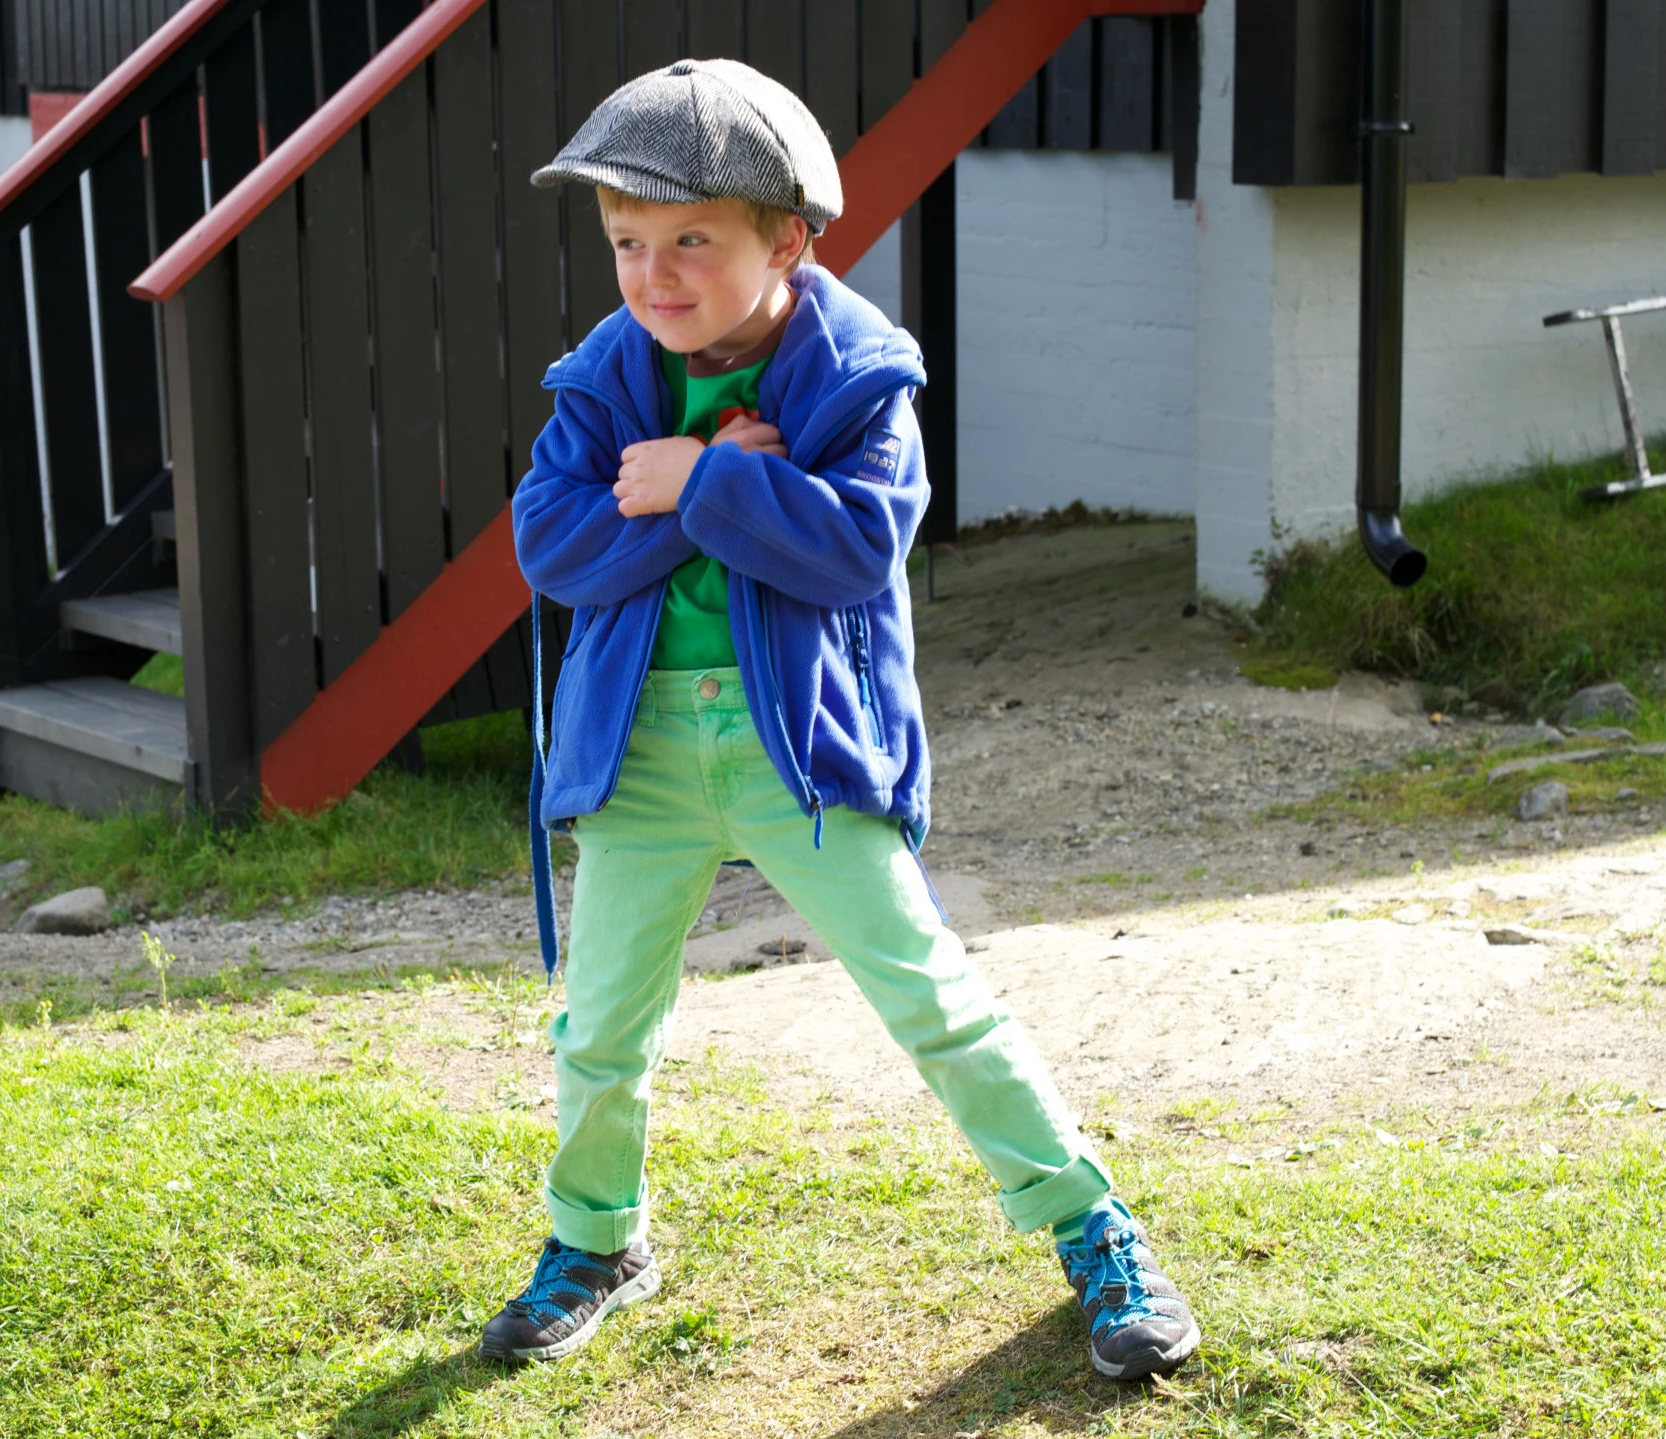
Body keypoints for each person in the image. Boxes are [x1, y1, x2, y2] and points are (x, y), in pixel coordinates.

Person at [493, 58, 1201, 1383]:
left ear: (788, 239)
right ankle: (596, 1237)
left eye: (690, 241)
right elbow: (553, 546)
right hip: (636, 746)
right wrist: (695, 490)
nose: (653, 276)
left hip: (802, 751)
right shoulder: (604, 378)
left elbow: (849, 549)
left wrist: (688, 484)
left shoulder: (858, 377)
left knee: (934, 1001)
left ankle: (1091, 1226)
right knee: (598, 1030)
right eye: (626, 243)